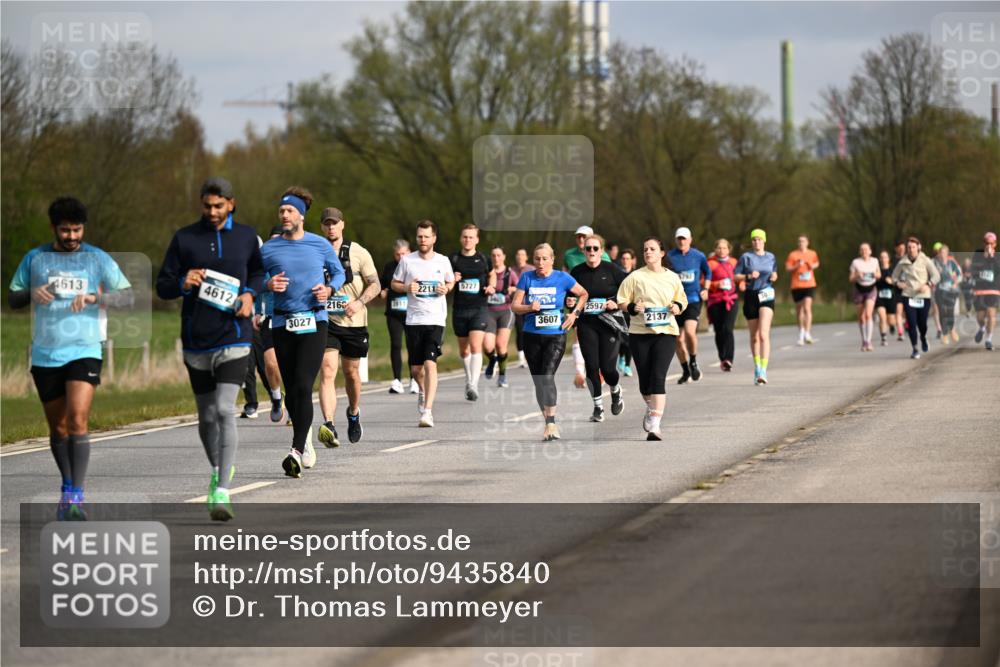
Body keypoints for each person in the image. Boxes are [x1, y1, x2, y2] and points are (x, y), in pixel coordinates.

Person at [9, 196, 134, 520]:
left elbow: (128, 295)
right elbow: (12, 297)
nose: (72, 236)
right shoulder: (35, 259)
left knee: (78, 419)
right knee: (59, 428)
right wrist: (30, 294)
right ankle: (67, 486)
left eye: (77, 230)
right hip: (46, 354)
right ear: (54, 228)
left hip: (85, 349)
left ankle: (76, 495)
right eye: (65, 231)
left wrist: (96, 296)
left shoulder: (96, 259)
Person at [156, 178, 264, 520]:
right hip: (197, 340)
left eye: (219, 206)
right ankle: (219, 468)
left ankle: (221, 491)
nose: (213, 212)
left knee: (222, 408)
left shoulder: (246, 237)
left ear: (231, 203)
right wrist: (183, 283)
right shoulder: (185, 238)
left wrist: (249, 295)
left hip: (235, 337)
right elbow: (163, 285)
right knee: (205, 416)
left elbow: (260, 273)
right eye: (207, 206)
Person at [261, 187, 345, 477]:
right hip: (283, 323)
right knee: (292, 390)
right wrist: (267, 285)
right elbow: (253, 277)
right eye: (281, 211)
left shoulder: (319, 245)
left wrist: (329, 288)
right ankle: (305, 437)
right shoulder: (269, 249)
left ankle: (297, 449)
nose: (283, 215)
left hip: (314, 321)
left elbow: (339, 273)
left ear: (301, 215)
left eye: (289, 211)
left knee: (302, 383)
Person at [316, 207, 380, 448]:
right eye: (327, 223)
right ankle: (329, 425)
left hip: (354, 322)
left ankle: (353, 413)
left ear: (342, 224)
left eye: (335, 223)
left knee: (351, 374)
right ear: (322, 227)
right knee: (328, 370)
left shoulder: (358, 252)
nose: (331, 227)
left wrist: (359, 302)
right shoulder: (315, 250)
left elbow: (375, 284)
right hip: (326, 321)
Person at [511, 243, 588, 441]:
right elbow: (515, 306)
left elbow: (583, 294)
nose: (541, 263)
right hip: (531, 335)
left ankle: (551, 423)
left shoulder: (562, 278)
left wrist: (574, 314)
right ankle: (549, 424)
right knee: (538, 382)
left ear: (552, 260)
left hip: (556, 334)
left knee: (546, 377)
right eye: (537, 259)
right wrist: (529, 307)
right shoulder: (527, 278)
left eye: (545, 258)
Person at [616, 238, 687, 441]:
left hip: (666, 332)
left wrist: (676, 307)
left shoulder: (672, 277)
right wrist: (631, 308)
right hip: (640, 333)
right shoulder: (635, 277)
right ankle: (651, 407)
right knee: (645, 381)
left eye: (652, 249)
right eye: (645, 249)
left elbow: (682, 300)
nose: (648, 252)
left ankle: (655, 424)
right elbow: (621, 299)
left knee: (658, 376)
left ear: (661, 253)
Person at [391, 219, 455, 427]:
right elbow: (394, 283)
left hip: (435, 319)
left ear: (434, 238)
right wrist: (408, 287)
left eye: (426, 236)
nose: (422, 240)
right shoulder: (407, 261)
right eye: (419, 236)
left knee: (430, 363)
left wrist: (447, 288)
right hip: (414, 320)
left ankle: (427, 412)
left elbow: (451, 280)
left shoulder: (443, 261)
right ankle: (422, 389)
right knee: (417, 370)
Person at [571, 234, 627, 422]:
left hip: (609, 323)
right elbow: (569, 297)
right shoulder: (577, 272)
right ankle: (598, 407)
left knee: (608, 368)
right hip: (587, 323)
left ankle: (615, 389)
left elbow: (628, 291)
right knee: (592, 366)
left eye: (595, 248)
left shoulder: (612, 269)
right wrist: (569, 301)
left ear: (601, 251)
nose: (592, 252)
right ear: (584, 251)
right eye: (588, 249)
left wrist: (616, 303)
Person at [564, 225, 611, 389]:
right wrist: (568, 297)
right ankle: (579, 372)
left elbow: (609, 276)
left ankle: (601, 370)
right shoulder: (569, 255)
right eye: (578, 237)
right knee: (578, 334)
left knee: (598, 337)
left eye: (584, 237)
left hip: (598, 301)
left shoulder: (602, 254)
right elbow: (566, 275)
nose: (581, 240)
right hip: (578, 300)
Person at [450, 224, 491, 401]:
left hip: (479, 308)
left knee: (475, 346)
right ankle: (468, 378)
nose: (468, 240)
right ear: (461, 238)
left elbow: (493, 274)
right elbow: (443, 280)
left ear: (477, 239)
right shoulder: (453, 259)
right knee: (464, 349)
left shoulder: (483, 258)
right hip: (459, 309)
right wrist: (451, 278)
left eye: (471, 237)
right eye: (465, 237)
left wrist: (492, 286)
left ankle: (473, 384)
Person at [667, 227, 711, 384]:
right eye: (679, 238)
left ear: (690, 240)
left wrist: (705, 288)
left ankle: (693, 361)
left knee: (690, 333)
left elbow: (708, 272)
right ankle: (685, 369)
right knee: (678, 339)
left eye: (684, 238)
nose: (682, 241)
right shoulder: (670, 256)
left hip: (693, 299)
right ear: (675, 240)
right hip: (675, 301)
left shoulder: (698, 256)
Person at [735, 229, 778, 385]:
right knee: (754, 336)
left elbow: (774, 272)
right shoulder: (746, 257)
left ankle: (763, 371)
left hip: (766, 294)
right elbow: (736, 275)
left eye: (759, 239)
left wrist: (774, 276)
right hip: (751, 295)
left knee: (763, 334)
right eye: (754, 240)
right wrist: (747, 276)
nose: (757, 242)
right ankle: (757, 366)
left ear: (764, 241)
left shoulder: (771, 257)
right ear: (751, 242)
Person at [891, 236, 940, 359]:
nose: (911, 249)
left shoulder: (926, 260)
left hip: (923, 295)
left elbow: (936, 275)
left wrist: (928, 284)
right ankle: (915, 348)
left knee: (922, 324)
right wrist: (898, 283)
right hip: (908, 295)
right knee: (911, 323)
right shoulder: (902, 262)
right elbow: (894, 277)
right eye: (909, 247)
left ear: (918, 247)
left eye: (913, 247)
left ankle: (923, 338)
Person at [381, 239, 416, 394]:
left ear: (409, 252)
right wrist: (382, 291)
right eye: (398, 254)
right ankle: (397, 381)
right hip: (394, 313)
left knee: (412, 345)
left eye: (404, 253)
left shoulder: (415, 266)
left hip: (411, 313)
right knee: (396, 344)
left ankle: (414, 380)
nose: (401, 257)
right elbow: (382, 285)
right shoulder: (389, 267)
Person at [483, 246, 519, 388]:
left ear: (503, 257)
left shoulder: (510, 273)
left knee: (501, 344)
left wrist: (513, 289)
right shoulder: (487, 273)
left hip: (505, 311)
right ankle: (492, 360)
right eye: (493, 255)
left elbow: (520, 288)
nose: (496, 258)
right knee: (487, 346)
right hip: (488, 311)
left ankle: (502, 375)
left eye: (499, 255)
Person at [706, 238, 739, 370]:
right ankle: (722, 357)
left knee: (728, 329)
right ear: (715, 249)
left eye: (724, 248)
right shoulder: (710, 264)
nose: (722, 250)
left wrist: (741, 283)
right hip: (715, 300)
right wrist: (716, 284)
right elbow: (703, 281)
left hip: (731, 299)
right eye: (719, 248)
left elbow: (739, 277)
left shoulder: (734, 262)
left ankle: (729, 359)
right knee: (719, 330)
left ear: (729, 250)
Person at [785, 235, 820, 345]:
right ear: (797, 243)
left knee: (807, 308)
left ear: (807, 242)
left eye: (803, 241)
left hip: (809, 284)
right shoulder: (793, 254)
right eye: (799, 241)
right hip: (797, 285)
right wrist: (796, 266)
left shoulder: (812, 253)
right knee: (799, 310)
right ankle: (801, 332)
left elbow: (817, 263)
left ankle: (808, 333)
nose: (801, 243)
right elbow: (787, 268)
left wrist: (811, 266)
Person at [849, 242, 880, 352]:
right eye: (862, 249)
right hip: (859, 290)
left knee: (868, 315)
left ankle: (869, 341)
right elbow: (851, 279)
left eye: (866, 249)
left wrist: (873, 275)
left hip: (871, 289)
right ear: (859, 251)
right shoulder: (855, 262)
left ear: (870, 251)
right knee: (861, 317)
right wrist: (857, 275)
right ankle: (864, 340)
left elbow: (879, 275)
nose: (864, 251)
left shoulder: (875, 261)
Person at [971, 231, 1000, 351]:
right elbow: (974, 267)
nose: (989, 246)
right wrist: (985, 257)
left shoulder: (998, 256)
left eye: (991, 243)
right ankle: (982, 328)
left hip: (993, 289)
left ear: (995, 244)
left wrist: (992, 257)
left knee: (991, 314)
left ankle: (989, 339)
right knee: (980, 316)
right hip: (980, 289)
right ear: (984, 243)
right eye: (987, 243)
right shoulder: (978, 254)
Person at [932, 244, 962, 345]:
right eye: (941, 252)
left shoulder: (951, 263)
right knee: (942, 311)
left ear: (947, 253)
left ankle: (952, 330)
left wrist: (955, 284)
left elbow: (959, 274)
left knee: (950, 311)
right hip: (939, 291)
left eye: (944, 252)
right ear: (938, 253)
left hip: (950, 291)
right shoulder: (934, 263)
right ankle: (944, 334)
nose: (943, 254)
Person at [616, 248, 637, 376]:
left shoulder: (637, 274)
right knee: (620, 337)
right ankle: (621, 356)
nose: (625, 261)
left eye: (628, 258)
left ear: (632, 260)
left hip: (632, 309)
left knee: (630, 338)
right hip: (619, 309)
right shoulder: (617, 274)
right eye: (623, 259)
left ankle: (628, 365)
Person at [512, 247, 533, 368]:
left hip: (530, 306)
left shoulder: (532, 269)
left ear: (526, 257)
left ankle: (530, 355)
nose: (520, 257)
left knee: (530, 331)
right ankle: (521, 358)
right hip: (518, 306)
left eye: (522, 255)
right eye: (518, 255)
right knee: (520, 331)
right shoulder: (512, 270)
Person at [874, 250, 897, 346]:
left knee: (891, 319)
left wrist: (891, 281)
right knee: (882, 317)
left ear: (888, 258)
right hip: (879, 296)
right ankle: (883, 337)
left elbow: (897, 281)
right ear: (880, 259)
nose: (883, 259)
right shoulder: (877, 270)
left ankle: (892, 326)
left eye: (885, 257)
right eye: (882, 257)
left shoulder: (893, 269)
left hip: (891, 296)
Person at [891, 240, 907, 341]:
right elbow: (891, 274)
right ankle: (900, 333)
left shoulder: (910, 258)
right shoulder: (893, 261)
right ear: (896, 249)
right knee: (898, 311)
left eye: (903, 248)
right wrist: (897, 283)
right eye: (899, 248)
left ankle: (907, 324)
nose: (901, 250)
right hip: (897, 289)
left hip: (910, 288)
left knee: (909, 311)